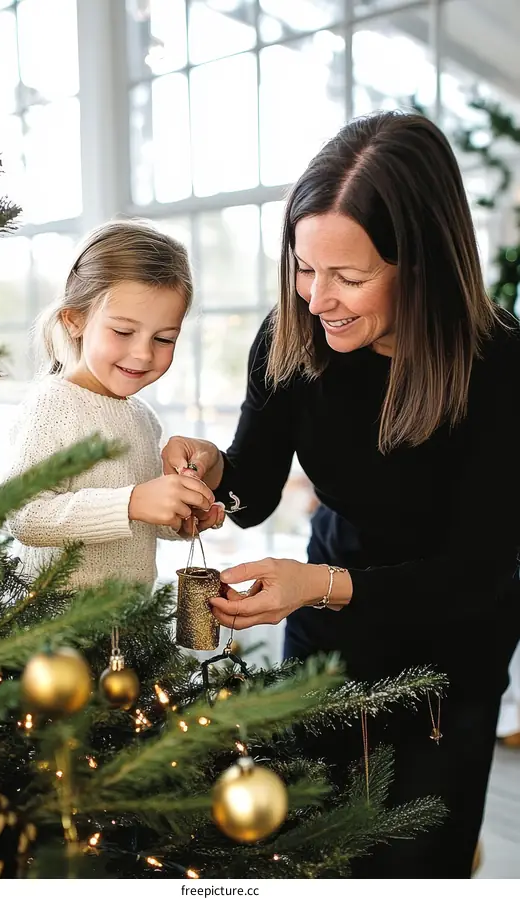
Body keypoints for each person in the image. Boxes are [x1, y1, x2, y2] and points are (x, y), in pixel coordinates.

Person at [162, 111, 520, 878]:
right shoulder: (292, 333)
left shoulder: (501, 366)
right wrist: (214, 470)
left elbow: (479, 575)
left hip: (449, 652)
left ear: (418, 262)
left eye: (348, 277)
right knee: (307, 843)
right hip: (325, 628)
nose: (317, 298)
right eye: (302, 266)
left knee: (414, 860)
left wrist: (318, 587)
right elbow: (254, 488)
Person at [3, 219, 224, 590]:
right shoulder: (53, 405)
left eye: (165, 338)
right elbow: (23, 515)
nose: (142, 354)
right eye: (123, 332)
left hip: (129, 629)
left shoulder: (142, 418)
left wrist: (179, 515)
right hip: (56, 633)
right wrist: (132, 502)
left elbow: (136, 525)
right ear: (75, 320)